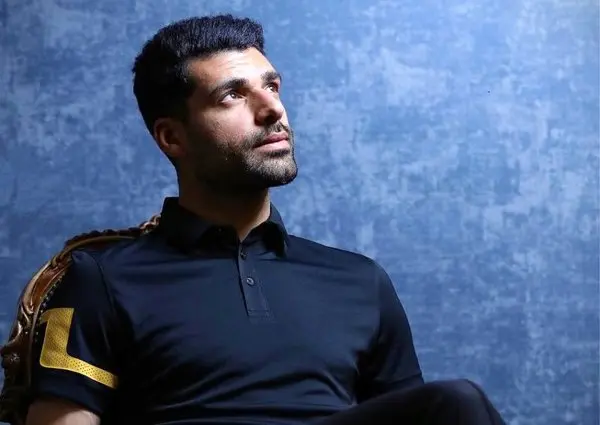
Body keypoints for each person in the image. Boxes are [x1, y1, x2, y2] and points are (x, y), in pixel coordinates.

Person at [24, 14, 506, 425]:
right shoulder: (100, 280)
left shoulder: (361, 280)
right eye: (232, 95)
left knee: (452, 405)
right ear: (172, 137)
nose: (272, 108)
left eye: (272, 86)